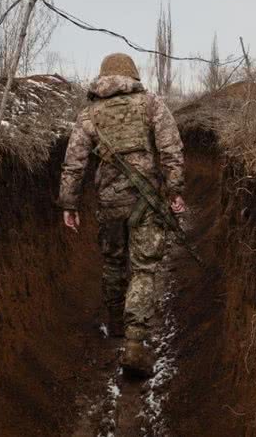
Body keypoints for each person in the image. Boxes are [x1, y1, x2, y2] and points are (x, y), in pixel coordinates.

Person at [58, 53, 186, 378]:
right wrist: (174, 190)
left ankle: (116, 325)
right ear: (132, 74)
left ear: (103, 76)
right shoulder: (151, 104)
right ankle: (134, 342)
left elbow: (74, 163)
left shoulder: (90, 113)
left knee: (114, 262)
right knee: (143, 268)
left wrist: (69, 204)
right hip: (145, 202)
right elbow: (171, 148)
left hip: (109, 202)